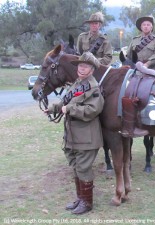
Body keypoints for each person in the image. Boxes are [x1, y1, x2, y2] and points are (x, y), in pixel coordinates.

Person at [45, 52, 104, 215]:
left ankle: (87, 202)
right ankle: (81, 198)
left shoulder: (93, 87)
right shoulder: (77, 83)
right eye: (79, 65)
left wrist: (69, 109)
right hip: (72, 134)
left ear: (92, 69)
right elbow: (66, 102)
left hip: (87, 136)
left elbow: (93, 110)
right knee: (75, 166)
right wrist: (53, 108)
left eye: (85, 66)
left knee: (83, 167)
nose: (81, 68)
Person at [121, 15, 155, 138]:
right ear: (141, 27)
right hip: (136, 70)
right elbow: (129, 56)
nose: (146, 26)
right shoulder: (134, 40)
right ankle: (130, 121)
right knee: (127, 90)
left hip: (153, 69)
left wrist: (147, 64)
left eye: (148, 24)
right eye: (144, 24)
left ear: (152, 27)